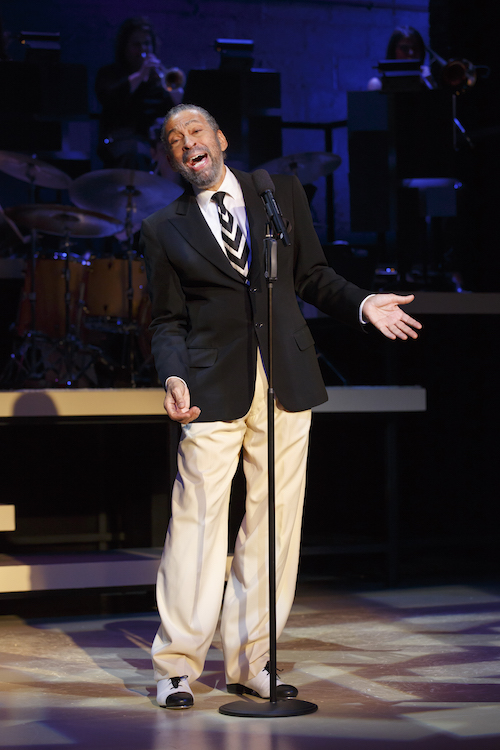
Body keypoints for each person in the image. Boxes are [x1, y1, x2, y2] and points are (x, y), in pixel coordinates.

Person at [140, 103, 422, 709]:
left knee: (274, 524)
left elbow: (314, 276)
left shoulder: (279, 193)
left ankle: (252, 660)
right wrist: (172, 374)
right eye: (174, 139)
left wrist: (364, 304)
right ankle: (176, 667)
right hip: (211, 386)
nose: (187, 143)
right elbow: (167, 320)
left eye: (195, 132)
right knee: (199, 522)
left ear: (220, 138)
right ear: (170, 158)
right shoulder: (164, 227)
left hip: (286, 378)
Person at [95, 17, 183, 170]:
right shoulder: (110, 73)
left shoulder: (159, 78)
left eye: (147, 44)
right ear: (125, 47)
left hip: (155, 141)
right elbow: (108, 99)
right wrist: (141, 74)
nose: (143, 49)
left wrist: (170, 87)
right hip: (121, 140)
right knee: (135, 152)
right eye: (137, 44)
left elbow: (180, 108)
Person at [368, 25, 436, 91]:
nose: (411, 53)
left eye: (415, 48)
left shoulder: (425, 80)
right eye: (404, 48)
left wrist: (429, 83)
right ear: (394, 50)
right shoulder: (379, 84)